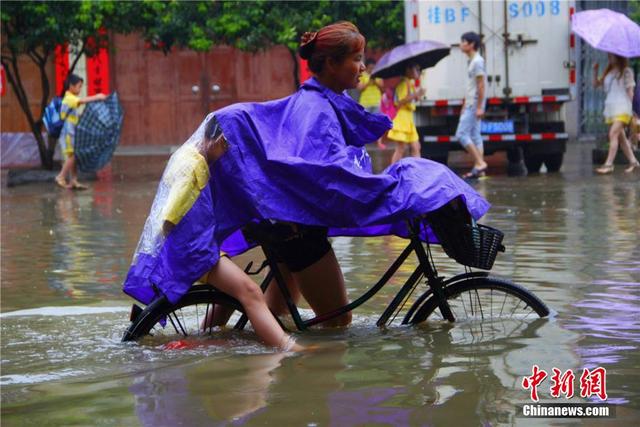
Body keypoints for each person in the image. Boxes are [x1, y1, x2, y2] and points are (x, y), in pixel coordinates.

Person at [123, 22, 490, 344]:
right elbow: (330, 178)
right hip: (296, 231)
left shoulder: (317, 101)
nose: (362, 67)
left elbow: (328, 169)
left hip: (288, 224)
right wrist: (395, 192)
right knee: (339, 322)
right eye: (356, 59)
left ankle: (260, 362)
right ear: (330, 63)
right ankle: (286, 360)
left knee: (281, 317)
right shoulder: (317, 109)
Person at [146, 117, 302, 351]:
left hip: (193, 247)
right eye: (226, 147)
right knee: (251, 292)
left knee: (232, 296)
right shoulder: (195, 164)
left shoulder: (184, 156)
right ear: (218, 139)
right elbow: (170, 216)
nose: (225, 153)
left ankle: (204, 338)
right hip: (195, 250)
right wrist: (185, 242)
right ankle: (288, 347)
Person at [54, 74, 107, 189]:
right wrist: (97, 96)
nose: (80, 89)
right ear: (71, 86)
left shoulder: (70, 98)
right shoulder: (69, 98)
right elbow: (82, 101)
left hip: (71, 131)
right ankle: (61, 176)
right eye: (79, 86)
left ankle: (73, 181)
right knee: (72, 156)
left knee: (73, 156)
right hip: (68, 133)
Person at [593, 54, 640, 174]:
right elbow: (596, 85)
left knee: (613, 133)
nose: (609, 57)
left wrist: (634, 111)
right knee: (621, 138)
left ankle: (608, 165)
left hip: (623, 108)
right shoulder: (608, 71)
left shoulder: (627, 71)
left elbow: (630, 92)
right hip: (611, 108)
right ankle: (634, 162)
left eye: (611, 55)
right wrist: (595, 71)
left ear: (619, 56)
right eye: (608, 55)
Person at [456, 32, 488, 179]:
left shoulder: (477, 62)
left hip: (475, 102)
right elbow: (472, 85)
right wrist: (464, 103)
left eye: (463, 42)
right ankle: (479, 169)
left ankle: (480, 163)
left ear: (471, 44)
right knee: (475, 135)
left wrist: (480, 106)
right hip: (471, 102)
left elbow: (481, 85)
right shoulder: (471, 61)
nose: (461, 44)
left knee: (461, 134)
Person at [387, 63, 425, 164]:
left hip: (408, 119)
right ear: (408, 70)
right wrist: (415, 94)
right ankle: (392, 172)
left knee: (416, 146)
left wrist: (418, 95)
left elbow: (412, 99)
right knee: (400, 148)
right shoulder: (404, 83)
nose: (417, 72)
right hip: (402, 118)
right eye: (415, 69)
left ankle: (418, 172)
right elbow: (399, 102)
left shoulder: (410, 83)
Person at [357, 58, 385, 149]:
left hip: (377, 102)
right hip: (365, 103)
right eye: (370, 68)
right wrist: (369, 81)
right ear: (366, 67)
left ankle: (379, 143)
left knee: (378, 123)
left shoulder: (378, 75)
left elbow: (383, 89)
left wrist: (376, 82)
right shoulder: (362, 75)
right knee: (364, 123)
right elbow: (360, 88)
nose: (372, 69)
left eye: (373, 68)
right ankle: (362, 142)